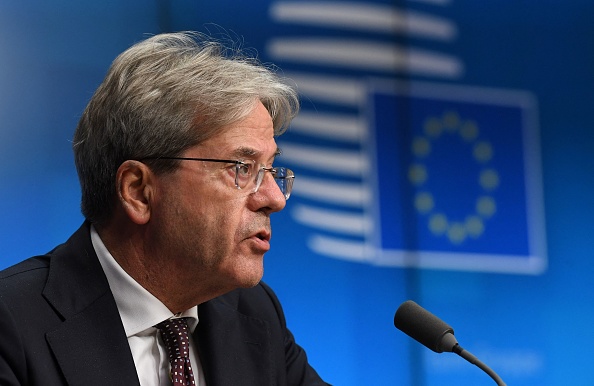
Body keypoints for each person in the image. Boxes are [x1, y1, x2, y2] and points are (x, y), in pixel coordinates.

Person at [0, 32, 329, 386]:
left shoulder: (254, 312)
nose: (274, 199)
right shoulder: (13, 325)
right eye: (241, 168)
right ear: (138, 191)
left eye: (270, 171)